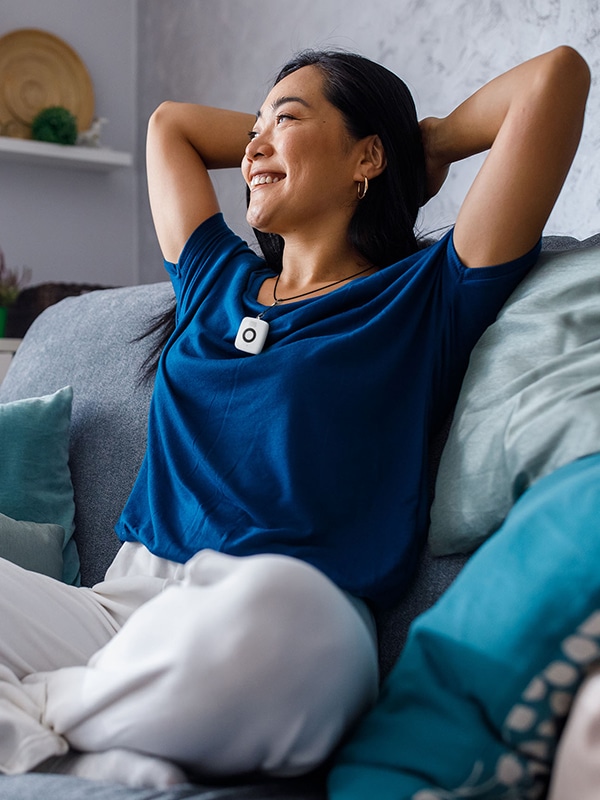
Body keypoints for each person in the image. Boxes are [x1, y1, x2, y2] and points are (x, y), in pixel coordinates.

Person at [0, 45, 589, 789]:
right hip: (124, 607)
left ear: (365, 158)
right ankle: (103, 743)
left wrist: (418, 143)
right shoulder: (216, 282)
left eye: (285, 120)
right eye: (251, 129)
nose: (251, 147)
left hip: (285, 606)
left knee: (285, 622)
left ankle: (52, 711)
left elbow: (554, 78)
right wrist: (281, 133)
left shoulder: (425, 296)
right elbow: (168, 127)